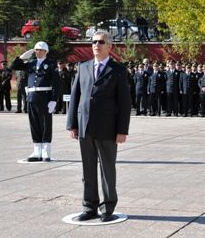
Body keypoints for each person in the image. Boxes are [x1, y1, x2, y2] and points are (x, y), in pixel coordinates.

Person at [66, 30, 131, 222]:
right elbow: (75, 95)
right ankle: (89, 207)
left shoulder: (117, 69)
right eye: (93, 42)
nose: (96, 45)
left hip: (108, 128)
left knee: (107, 170)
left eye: (101, 42)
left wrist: (122, 130)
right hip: (85, 126)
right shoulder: (83, 67)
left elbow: (124, 102)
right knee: (88, 170)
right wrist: (72, 124)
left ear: (109, 46)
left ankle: (108, 208)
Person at [10, 41, 60, 161]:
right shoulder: (31, 63)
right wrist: (22, 57)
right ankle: (37, 151)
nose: (37, 52)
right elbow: (13, 66)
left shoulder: (51, 64)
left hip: (45, 97)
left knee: (45, 124)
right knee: (34, 124)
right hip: (32, 97)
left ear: (45, 51)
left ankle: (45, 152)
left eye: (40, 50)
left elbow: (57, 84)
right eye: (36, 50)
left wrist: (53, 100)